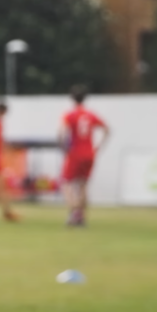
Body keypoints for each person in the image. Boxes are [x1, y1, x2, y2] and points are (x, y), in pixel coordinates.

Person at [59, 85, 109, 227]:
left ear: (72, 98)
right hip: (89, 153)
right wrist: (98, 146)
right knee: (83, 185)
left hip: (75, 153)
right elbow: (107, 129)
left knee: (67, 184)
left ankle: (74, 212)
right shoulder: (90, 115)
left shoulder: (69, 115)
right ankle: (82, 217)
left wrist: (64, 148)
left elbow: (61, 133)